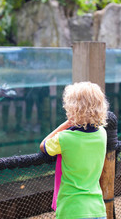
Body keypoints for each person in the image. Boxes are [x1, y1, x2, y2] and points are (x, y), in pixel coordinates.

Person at [40, 81, 109, 219]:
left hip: (72, 210)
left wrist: (67, 123)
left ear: (72, 108)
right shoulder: (102, 134)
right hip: (97, 209)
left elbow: (43, 145)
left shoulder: (65, 138)